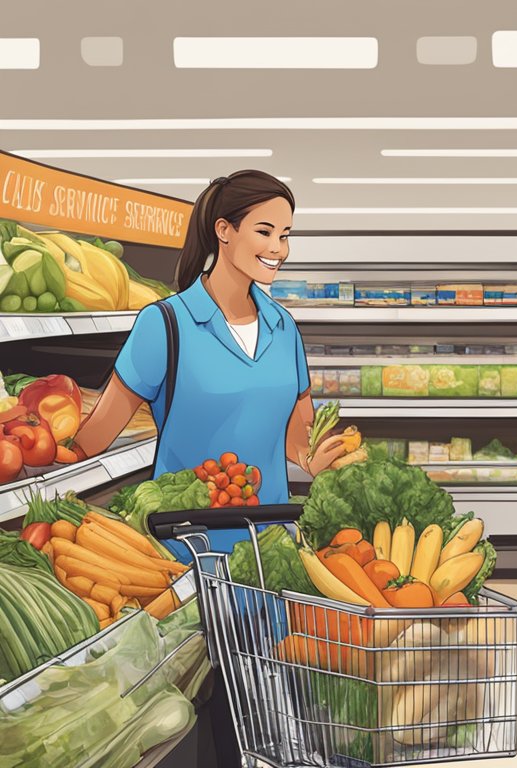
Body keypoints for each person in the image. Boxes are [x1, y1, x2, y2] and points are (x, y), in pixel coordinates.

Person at [72, 170, 346, 766]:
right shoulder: (165, 323)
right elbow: (96, 437)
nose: (279, 248)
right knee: (186, 724)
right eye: (266, 231)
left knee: (267, 721)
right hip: (181, 561)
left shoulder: (284, 329)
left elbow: (298, 441)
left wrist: (319, 460)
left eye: (287, 235)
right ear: (224, 231)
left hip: (267, 553)